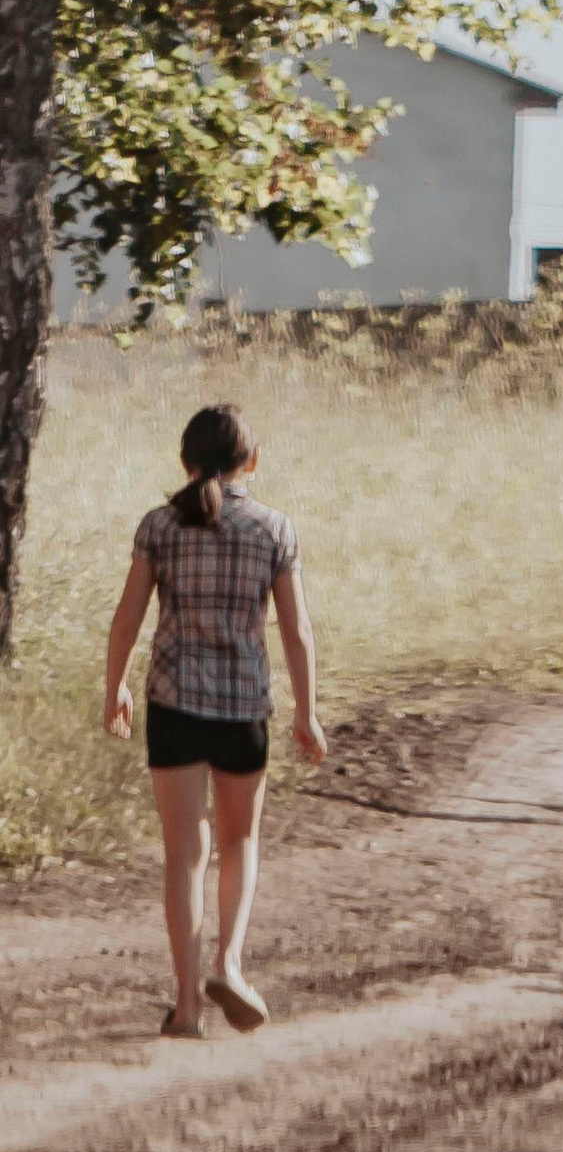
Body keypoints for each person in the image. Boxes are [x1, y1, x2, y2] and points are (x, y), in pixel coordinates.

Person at [102, 403, 325, 1039]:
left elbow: (128, 617)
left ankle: (187, 1006)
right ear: (250, 462)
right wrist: (306, 712)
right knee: (239, 844)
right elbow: (296, 630)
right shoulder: (274, 529)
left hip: (173, 703)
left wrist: (114, 685)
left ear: (185, 460)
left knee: (183, 854)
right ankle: (229, 962)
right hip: (243, 706)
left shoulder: (159, 526)